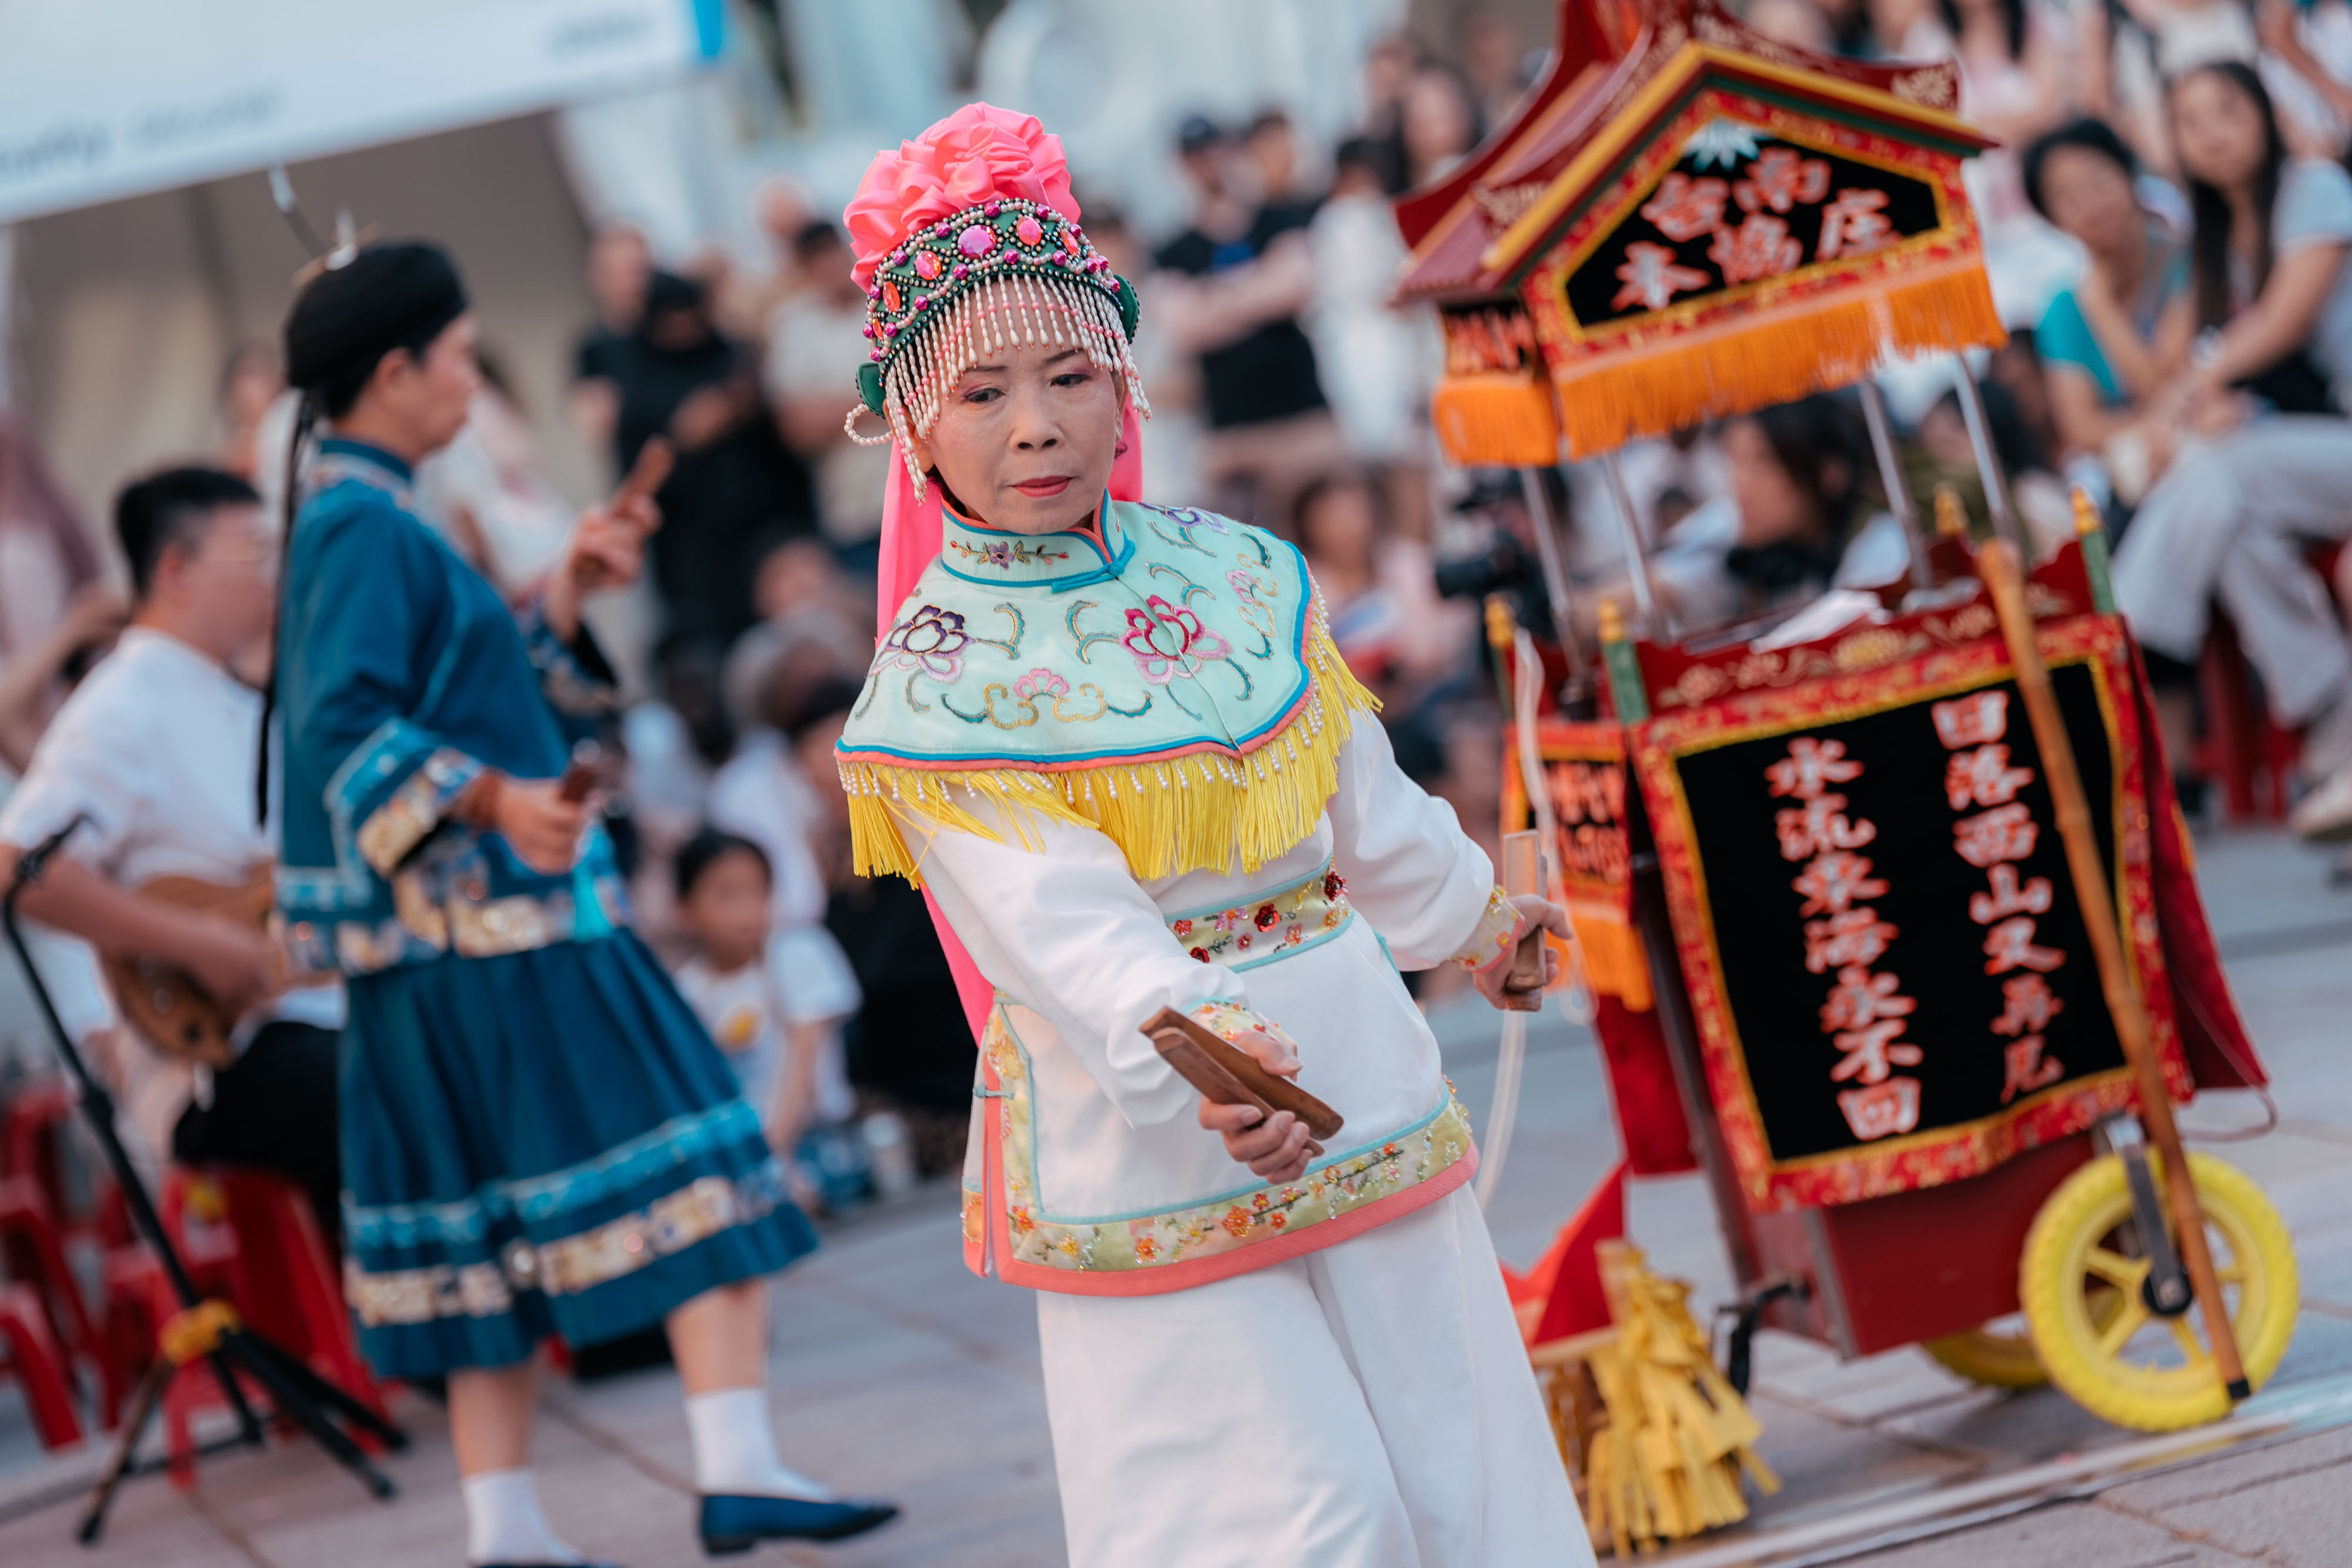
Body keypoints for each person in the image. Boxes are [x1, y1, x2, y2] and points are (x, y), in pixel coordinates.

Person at [834, 103, 1589, 1568]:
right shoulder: (933, 683)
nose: (1036, 423)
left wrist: (1478, 921)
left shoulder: (1242, 574)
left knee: (1471, 1475)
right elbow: (1059, 925)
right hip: (1159, 1127)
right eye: (981, 394)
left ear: (1128, 386)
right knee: (1291, 1520)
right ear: (912, 425)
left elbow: (1360, 803)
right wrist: (1200, 1062)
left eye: (1069, 374)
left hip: (1360, 1068)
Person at [269, 242, 893, 1565]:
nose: (467, 382)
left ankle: (516, 1538)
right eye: (453, 357)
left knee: (486, 1247)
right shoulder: (361, 524)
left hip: (453, 945)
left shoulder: (359, 513)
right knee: (711, 1155)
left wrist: (557, 596)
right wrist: (499, 804)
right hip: (503, 932)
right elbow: (342, 724)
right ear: (394, 371)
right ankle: (734, 1468)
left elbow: (437, 685)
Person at [0, 468, 346, 1234]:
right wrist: (196, 943)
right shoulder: (124, 705)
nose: (270, 572)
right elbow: (18, 864)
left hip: (307, 1019)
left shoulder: (229, 693)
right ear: (175, 569)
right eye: (250, 552)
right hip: (216, 1061)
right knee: (388, 1091)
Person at [2105, 62, 2352, 839]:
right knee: (2232, 521)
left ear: (2265, 114)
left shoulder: (2313, 190)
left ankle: (2129, 631)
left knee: (2218, 470)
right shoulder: (2207, 245)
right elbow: (2176, 367)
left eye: (2228, 111)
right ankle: (2339, 735)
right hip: (2304, 454)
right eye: (2191, 120)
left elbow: (2279, 324)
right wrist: (2199, 405)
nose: (2212, 132)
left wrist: (2190, 401)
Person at [1152, 116, 1349, 533]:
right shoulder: (1172, 248)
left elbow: (1295, 286)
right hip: (1233, 437)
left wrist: (1210, 297)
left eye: (1213, 150)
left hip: (1303, 419)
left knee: (1333, 540)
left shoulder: (1279, 219)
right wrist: (1262, 289)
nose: (1207, 164)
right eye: (1195, 156)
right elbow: (1184, 327)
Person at [610, 269, 815, 648]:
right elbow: (636, 485)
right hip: (702, 558)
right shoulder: (640, 391)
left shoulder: (731, 357)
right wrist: (680, 440)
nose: (684, 329)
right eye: (672, 321)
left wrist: (748, 405)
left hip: (773, 527)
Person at [668, 828, 864, 1211]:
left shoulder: (796, 951)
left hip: (814, 1138)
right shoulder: (687, 990)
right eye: (727, 896)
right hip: (741, 1150)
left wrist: (772, 1153)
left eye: (758, 892)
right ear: (684, 910)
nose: (747, 911)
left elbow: (802, 1061)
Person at [2020, 118, 2193, 478]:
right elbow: (2082, 429)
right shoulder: (2062, 309)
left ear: (2128, 173)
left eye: (2099, 181)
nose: (2091, 205)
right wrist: (2155, 428)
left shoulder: (2186, 260)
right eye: (2066, 198)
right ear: (2052, 220)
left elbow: (2164, 386)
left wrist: (2101, 307)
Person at [765, 222, 894, 564]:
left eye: (833, 252)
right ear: (803, 269)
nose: (829, 265)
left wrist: (835, 409)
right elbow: (799, 429)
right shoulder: (793, 328)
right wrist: (885, 392)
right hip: (853, 512)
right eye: (815, 259)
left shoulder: (889, 303)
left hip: (921, 494)